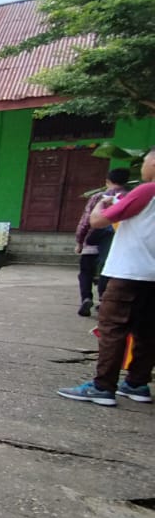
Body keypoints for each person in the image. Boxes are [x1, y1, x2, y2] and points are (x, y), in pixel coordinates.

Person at [57, 149, 155, 405]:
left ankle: (103, 387)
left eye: (145, 161)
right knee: (147, 331)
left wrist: (101, 203)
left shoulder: (146, 190)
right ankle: (137, 383)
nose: (143, 166)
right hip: (152, 275)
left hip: (129, 271)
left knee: (112, 329)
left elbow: (98, 220)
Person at [74, 168, 130, 317]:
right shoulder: (130, 197)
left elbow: (86, 221)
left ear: (107, 181)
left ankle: (86, 298)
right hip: (118, 243)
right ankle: (103, 301)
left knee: (86, 272)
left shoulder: (98, 197)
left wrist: (79, 241)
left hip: (93, 242)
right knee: (108, 272)